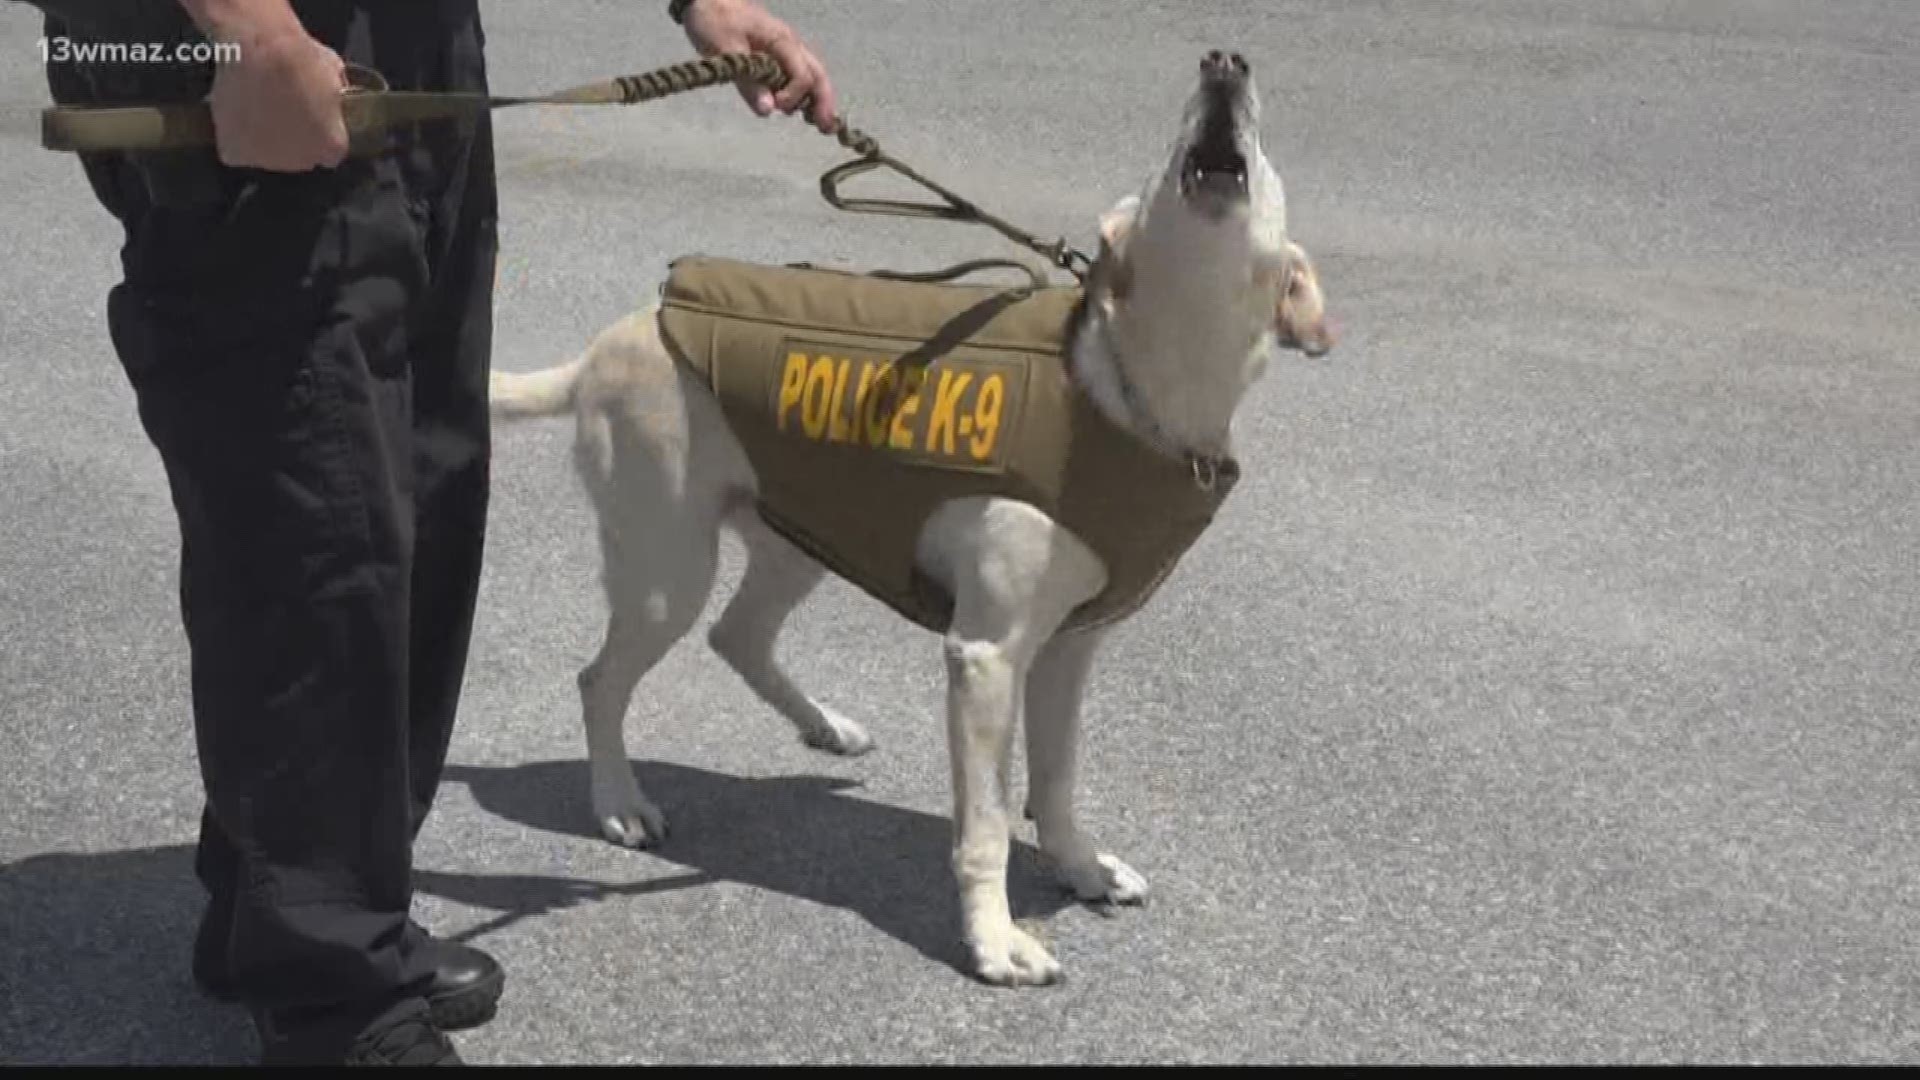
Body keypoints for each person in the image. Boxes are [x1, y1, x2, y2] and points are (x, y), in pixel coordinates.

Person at [19, 0, 837, 1065]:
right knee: (310, 513)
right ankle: (333, 1000)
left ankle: (296, 909)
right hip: (222, 31)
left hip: (402, 36)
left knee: (413, 493)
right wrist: (247, 33)